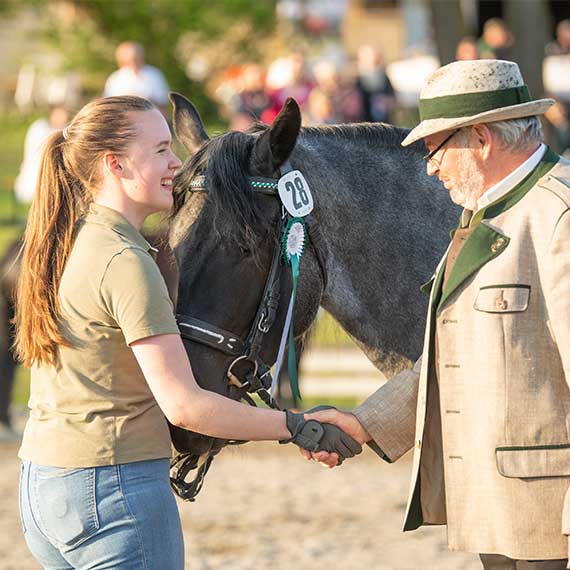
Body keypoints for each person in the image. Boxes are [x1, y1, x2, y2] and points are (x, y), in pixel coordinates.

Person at [13, 95, 361, 570]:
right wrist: (296, 425)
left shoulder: (69, 239)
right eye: (159, 150)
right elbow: (185, 406)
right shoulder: (124, 262)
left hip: (44, 486)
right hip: (113, 490)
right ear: (114, 164)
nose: (176, 162)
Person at [306, 59, 570, 569]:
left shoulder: (558, 218)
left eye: (434, 149)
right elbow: (456, 357)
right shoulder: (486, 215)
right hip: (504, 512)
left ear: (479, 139)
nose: (430, 167)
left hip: (555, 520)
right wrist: (362, 423)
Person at [14, 105, 69, 204]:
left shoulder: (63, 129)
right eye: (60, 114)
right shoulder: (39, 129)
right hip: (35, 179)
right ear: (52, 114)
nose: (63, 118)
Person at [103, 42, 169, 107]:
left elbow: (163, 99)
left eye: (136, 58)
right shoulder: (115, 78)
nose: (134, 62)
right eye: (130, 60)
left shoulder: (153, 74)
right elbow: (109, 102)